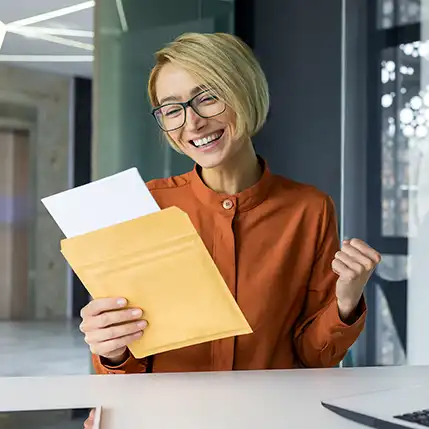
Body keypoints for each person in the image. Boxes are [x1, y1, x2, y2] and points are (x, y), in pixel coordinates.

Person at [80, 32, 381, 374]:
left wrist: (346, 300)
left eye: (207, 98)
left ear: (245, 92)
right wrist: (112, 348)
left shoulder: (310, 209)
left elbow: (314, 355)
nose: (191, 122)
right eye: (171, 109)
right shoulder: (142, 206)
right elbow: (122, 369)